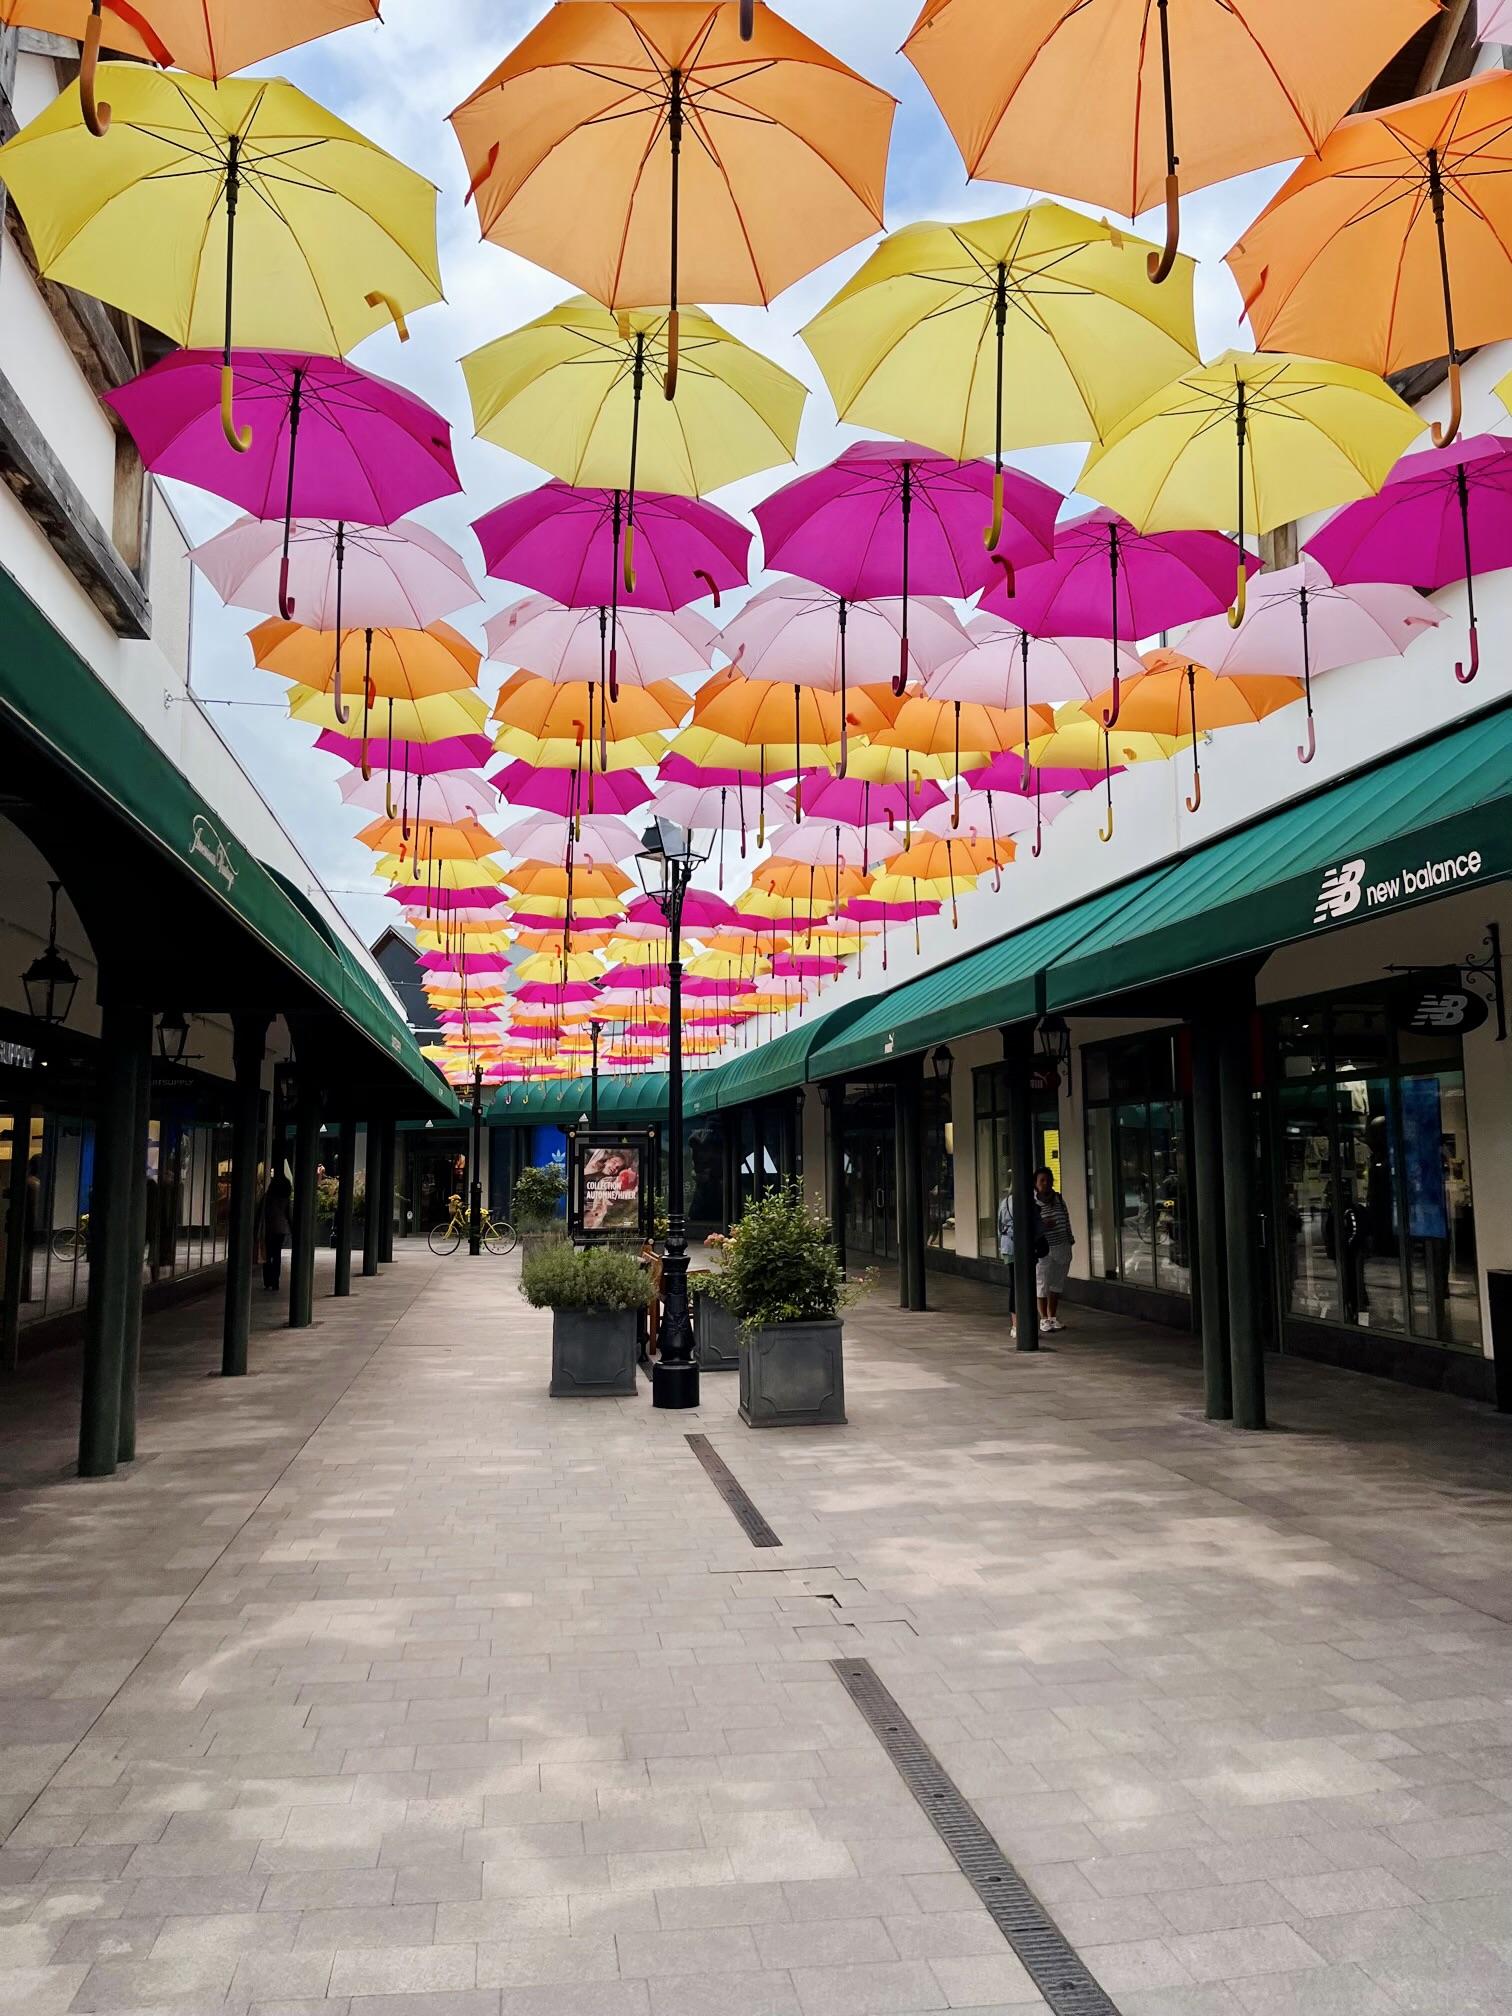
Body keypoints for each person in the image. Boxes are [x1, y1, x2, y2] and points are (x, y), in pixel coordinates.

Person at [1033, 1165, 1074, 1331]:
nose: (1046, 1183)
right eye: (1042, 1180)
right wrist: (1044, 1226)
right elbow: (1032, 1225)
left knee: (1057, 1284)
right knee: (1042, 1282)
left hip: (1062, 1245)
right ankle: (1043, 1318)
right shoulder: (1033, 1203)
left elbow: (1066, 1218)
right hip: (1044, 1247)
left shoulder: (1058, 1199)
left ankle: (1052, 1316)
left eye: (1048, 1180)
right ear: (1035, 1183)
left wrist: (1070, 1238)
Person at [260, 1171, 292, 1291]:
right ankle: (275, 1281)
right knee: (277, 1254)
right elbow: (289, 1216)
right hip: (281, 1229)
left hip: (269, 1228)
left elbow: (261, 1213)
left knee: (267, 1254)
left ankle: (267, 1280)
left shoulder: (267, 1197)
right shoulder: (285, 1199)